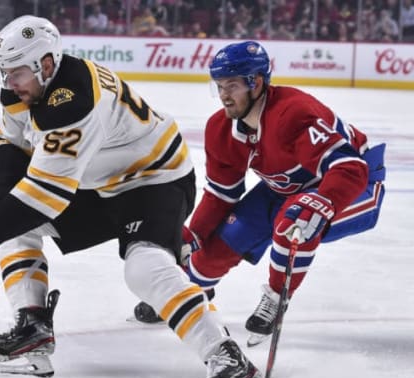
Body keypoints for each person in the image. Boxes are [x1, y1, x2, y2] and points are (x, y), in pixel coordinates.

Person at [0, 16, 262, 378]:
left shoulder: (75, 99)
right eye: (3, 73)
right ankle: (31, 328)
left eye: (16, 73)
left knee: (144, 269)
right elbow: (9, 142)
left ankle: (226, 356)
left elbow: (46, 193)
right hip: (98, 184)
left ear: (46, 64)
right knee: (9, 214)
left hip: (154, 180)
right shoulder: (25, 88)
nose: (9, 83)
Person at [133, 41, 386, 348]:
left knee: (295, 219)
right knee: (217, 247)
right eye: (219, 86)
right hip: (284, 189)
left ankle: (277, 299)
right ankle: (190, 290)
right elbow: (220, 195)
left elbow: (350, 167)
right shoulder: (220, 129)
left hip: (354, 185)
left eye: (232, 85)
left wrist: (323, 201)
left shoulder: (293, 113)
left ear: (257, 82)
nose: (224, 95)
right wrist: (191, 236)